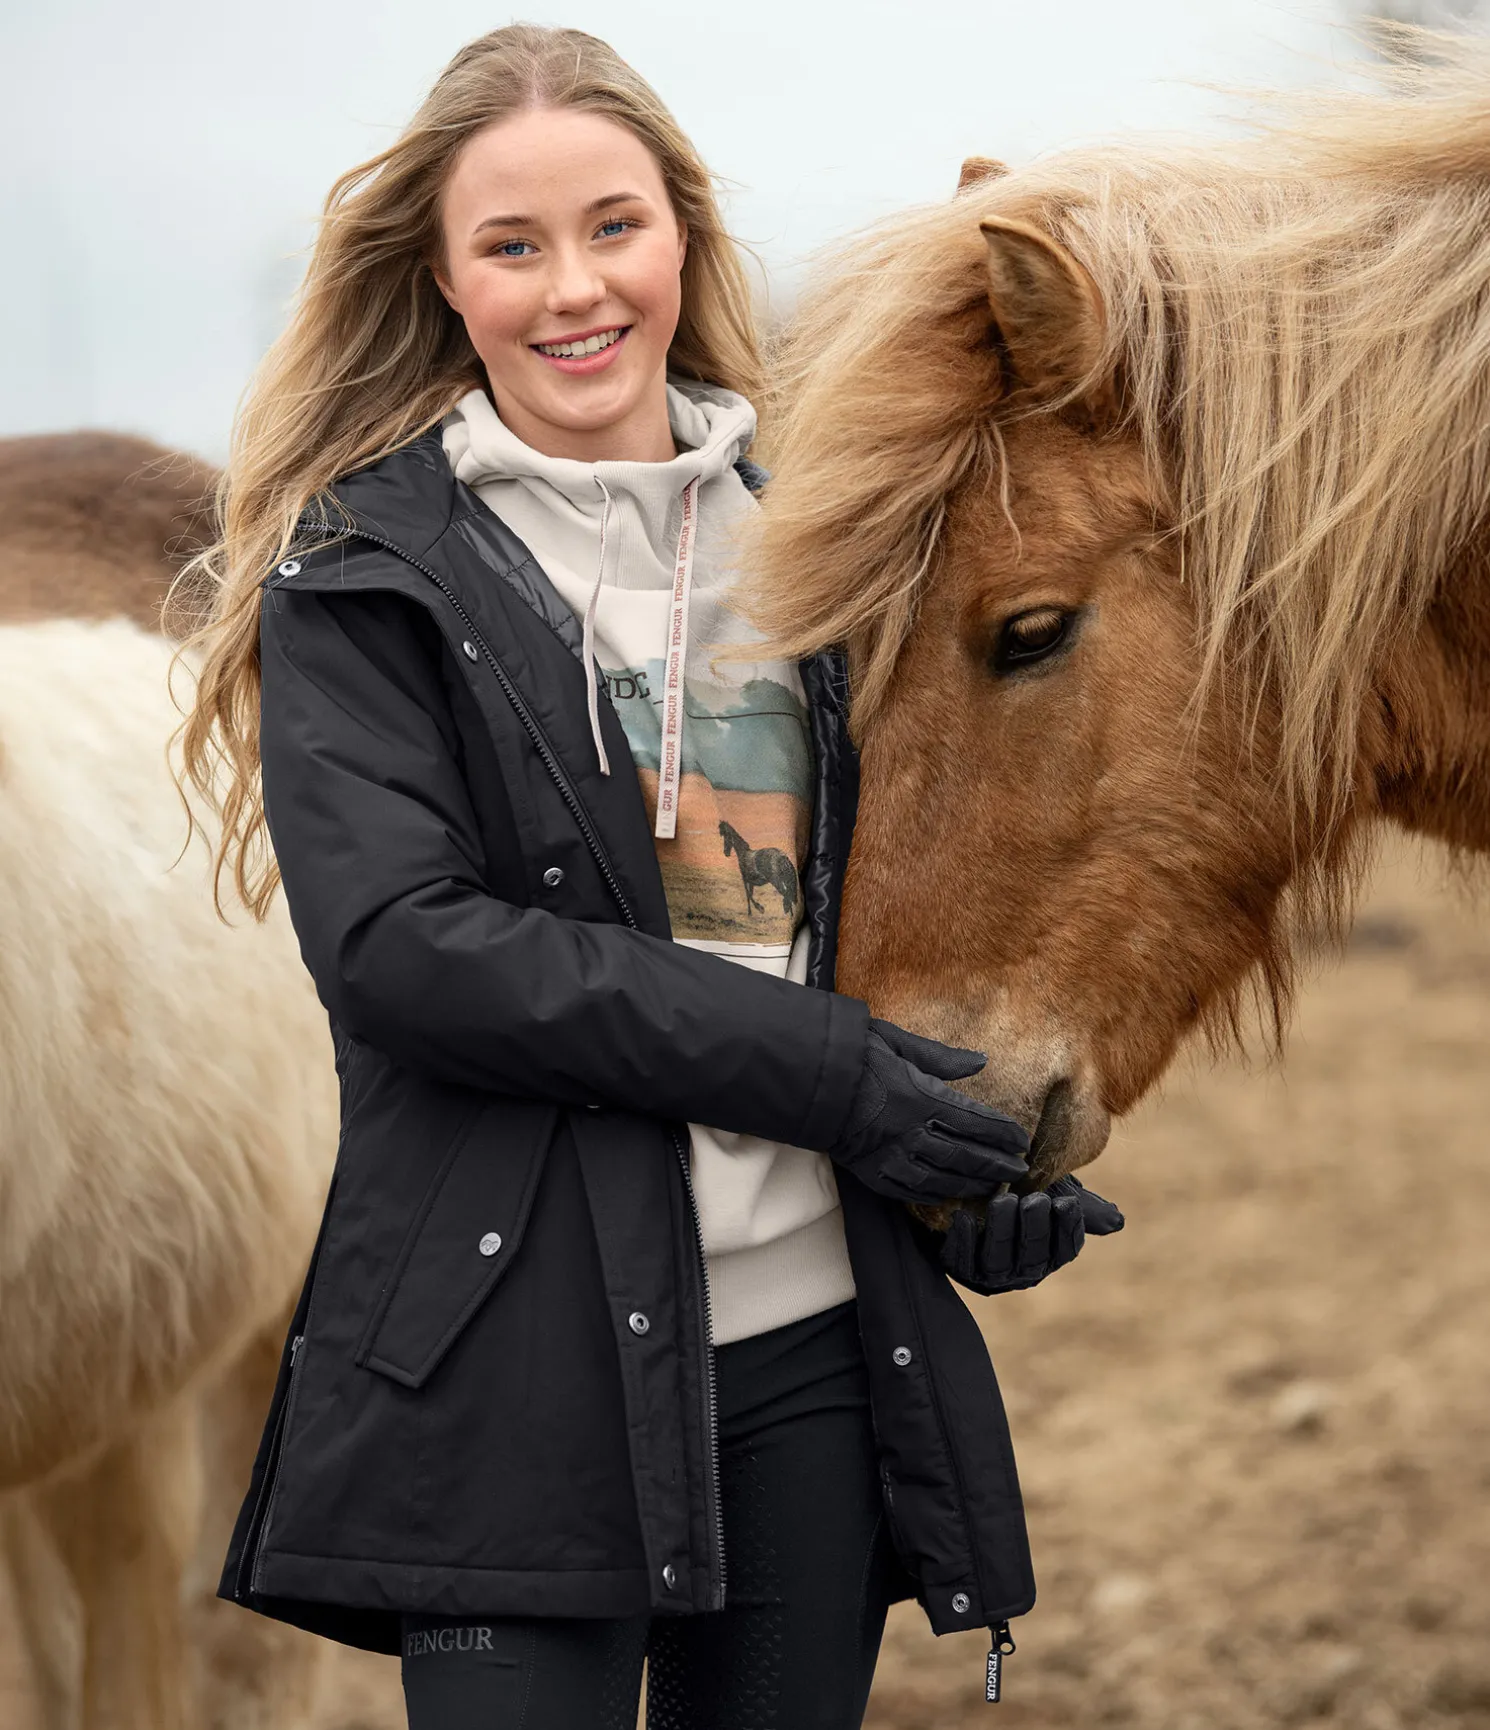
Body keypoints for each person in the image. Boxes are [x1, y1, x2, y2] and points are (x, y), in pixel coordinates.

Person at [175, 24, 1122, 1728]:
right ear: (444, 281)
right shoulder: (370, 574)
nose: (574, 288)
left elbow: (858, 919)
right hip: (510, 1370)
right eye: (511, 245)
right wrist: (837, 1077)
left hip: (818, 1354)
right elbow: (409, 951)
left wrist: (961, 1165)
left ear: (681, 230)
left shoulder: (828, 545)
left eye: (613, 225)